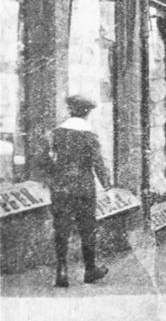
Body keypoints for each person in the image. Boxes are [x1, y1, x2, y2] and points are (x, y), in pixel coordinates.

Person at [48, 95, 110, 287]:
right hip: (83, 187)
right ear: (87, 113)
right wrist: (106, 184)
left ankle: (62, 272)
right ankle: (90, 270)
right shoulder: (89, 135)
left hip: (61, 187)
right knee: (87, 228)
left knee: (61, 228)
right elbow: (97, 162)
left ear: (70, 110)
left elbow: (49, 159)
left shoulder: (57, 133)